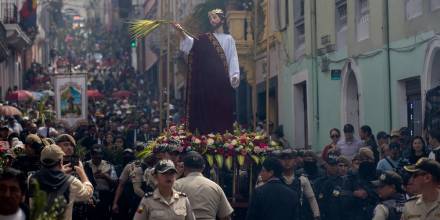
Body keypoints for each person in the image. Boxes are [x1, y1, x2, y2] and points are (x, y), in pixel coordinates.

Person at [174, 8, 240, 134]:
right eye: (210, 18)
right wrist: (181, 32)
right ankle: (206, 135)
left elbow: (233, 58)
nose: (212, 21)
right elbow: (191, 44)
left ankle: (223, 135)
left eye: (214, 17)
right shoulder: (204, 39)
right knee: (208, 109)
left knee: (222, 110)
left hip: (222, 81)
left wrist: (234, 75)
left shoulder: (229, 39)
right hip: (208, 82)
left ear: (222, 19)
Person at [28, 144, 94, 220]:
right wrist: (82, 172)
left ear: (41, 160)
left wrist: (60, 172)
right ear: (60, 162)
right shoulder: (71, 182)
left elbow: (49, 178)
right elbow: (88, 193)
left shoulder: (31, 178)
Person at [174, 151, 233, 220]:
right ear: (203, 167)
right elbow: (225, 216)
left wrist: (175, 175)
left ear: (183, 166)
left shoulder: (176, 185)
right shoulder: (215, 187)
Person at [278, 149, 320, 220]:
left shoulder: (302, 179)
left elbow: (311, 198)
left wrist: (316, 215)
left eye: (289, 159)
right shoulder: (276, 179)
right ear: (280, 161)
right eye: (284, 159)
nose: (287, 161)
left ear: (294, 161)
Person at [85, 145, 117, 219]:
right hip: (90, 196)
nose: (97, 159)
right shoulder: (85, 165)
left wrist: (105, 177)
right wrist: (93, 177)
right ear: (91, 155)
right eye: (95, 157)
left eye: (99, 157)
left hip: (105, 196)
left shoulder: (108, 165)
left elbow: (115, 183)